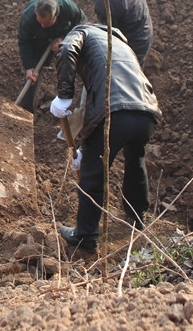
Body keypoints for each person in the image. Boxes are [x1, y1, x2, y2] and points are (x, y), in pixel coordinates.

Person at [50, 24, 162, 252]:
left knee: (93, 172)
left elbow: (66, 49)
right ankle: (137, 216)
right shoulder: (120, 42)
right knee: (135, 159)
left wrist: (64, 95)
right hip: (146, 111)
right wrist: (85, 148)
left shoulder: (81, 32)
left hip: (115, 111)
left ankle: (86, 236)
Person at [17, 0, 87, 113]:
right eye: (40, 22)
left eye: (47, 23)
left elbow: (83, 23)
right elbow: (24, 41)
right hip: (38, 39)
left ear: (56, 16)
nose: (43, 25)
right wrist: (29, 67)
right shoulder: (28, 17)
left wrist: (64, 38)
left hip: (64, 32)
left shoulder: (67, 7)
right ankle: (26, 113)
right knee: (32, 76)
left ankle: (82, 99)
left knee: (76, 57)